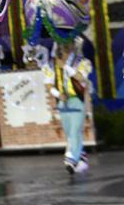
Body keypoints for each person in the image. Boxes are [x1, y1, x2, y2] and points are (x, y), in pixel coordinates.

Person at [43, 37, 92, 174]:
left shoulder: (82, 62)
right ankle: (81, 158)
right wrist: (58, 95)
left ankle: (70, 159)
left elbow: (81, 78)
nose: (65, 47)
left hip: (76, 99)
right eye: (62, 44)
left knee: (75, 130)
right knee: (69, 131)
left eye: (67, 44)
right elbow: (48, 84)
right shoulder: (51, 64)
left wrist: (65, 66)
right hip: (62, 101)